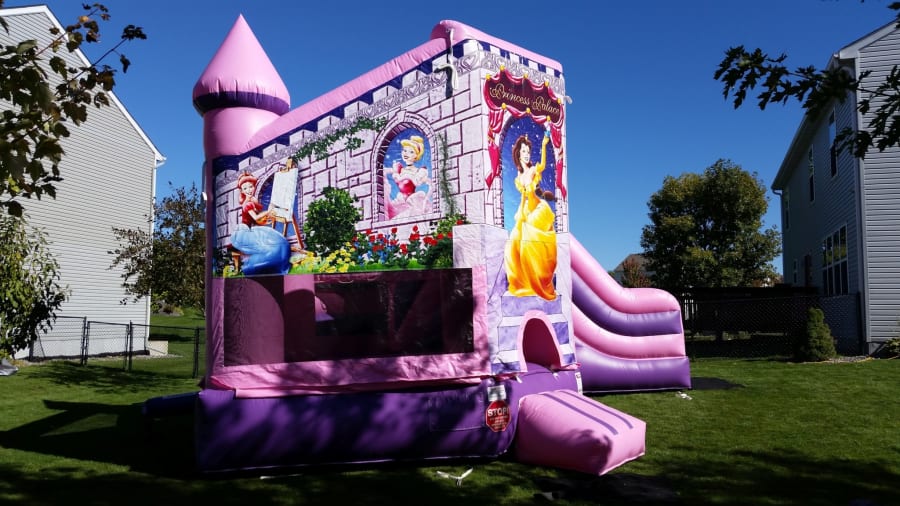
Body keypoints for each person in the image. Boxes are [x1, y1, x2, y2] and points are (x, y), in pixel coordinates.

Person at [504, 130, 557, 300]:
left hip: (538, 209)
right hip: (526, 209)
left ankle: (539, 280)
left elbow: (542, 165)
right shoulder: (518, 178)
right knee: (514, 243)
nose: (527, 154)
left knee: (530, 238)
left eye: (528, 151)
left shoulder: (533, 170)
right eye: (524, 151)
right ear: (518, 154)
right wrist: (520, 215)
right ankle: (524, 282)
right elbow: (523, 197)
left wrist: (544, 144)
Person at [385, 135, 430, 218]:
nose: (406, 154)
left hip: (412, 203)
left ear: (416, 155)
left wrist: (427, 195)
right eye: (405, 150)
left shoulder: (419, 171)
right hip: (399, 202)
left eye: (411, 152)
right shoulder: (399, 168)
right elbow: (384, 171)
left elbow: (430, 183)